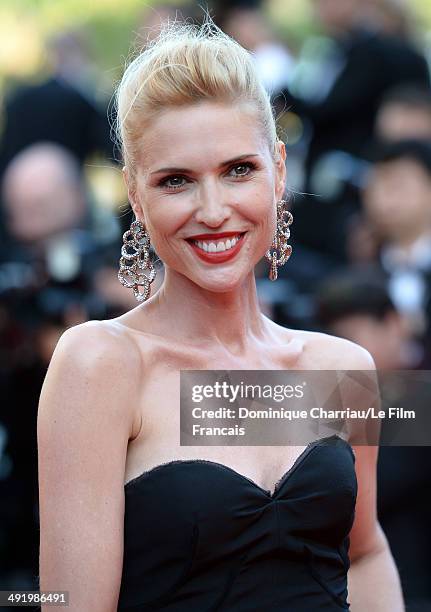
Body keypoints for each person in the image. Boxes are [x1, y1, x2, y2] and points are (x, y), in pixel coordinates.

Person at [37, 19, 403, 611]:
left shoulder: (340, 366)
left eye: (239, 170)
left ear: (279, 170)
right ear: (136, 193)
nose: (213, 210)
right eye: (176, 180)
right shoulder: (101, 366)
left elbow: (365, 551)